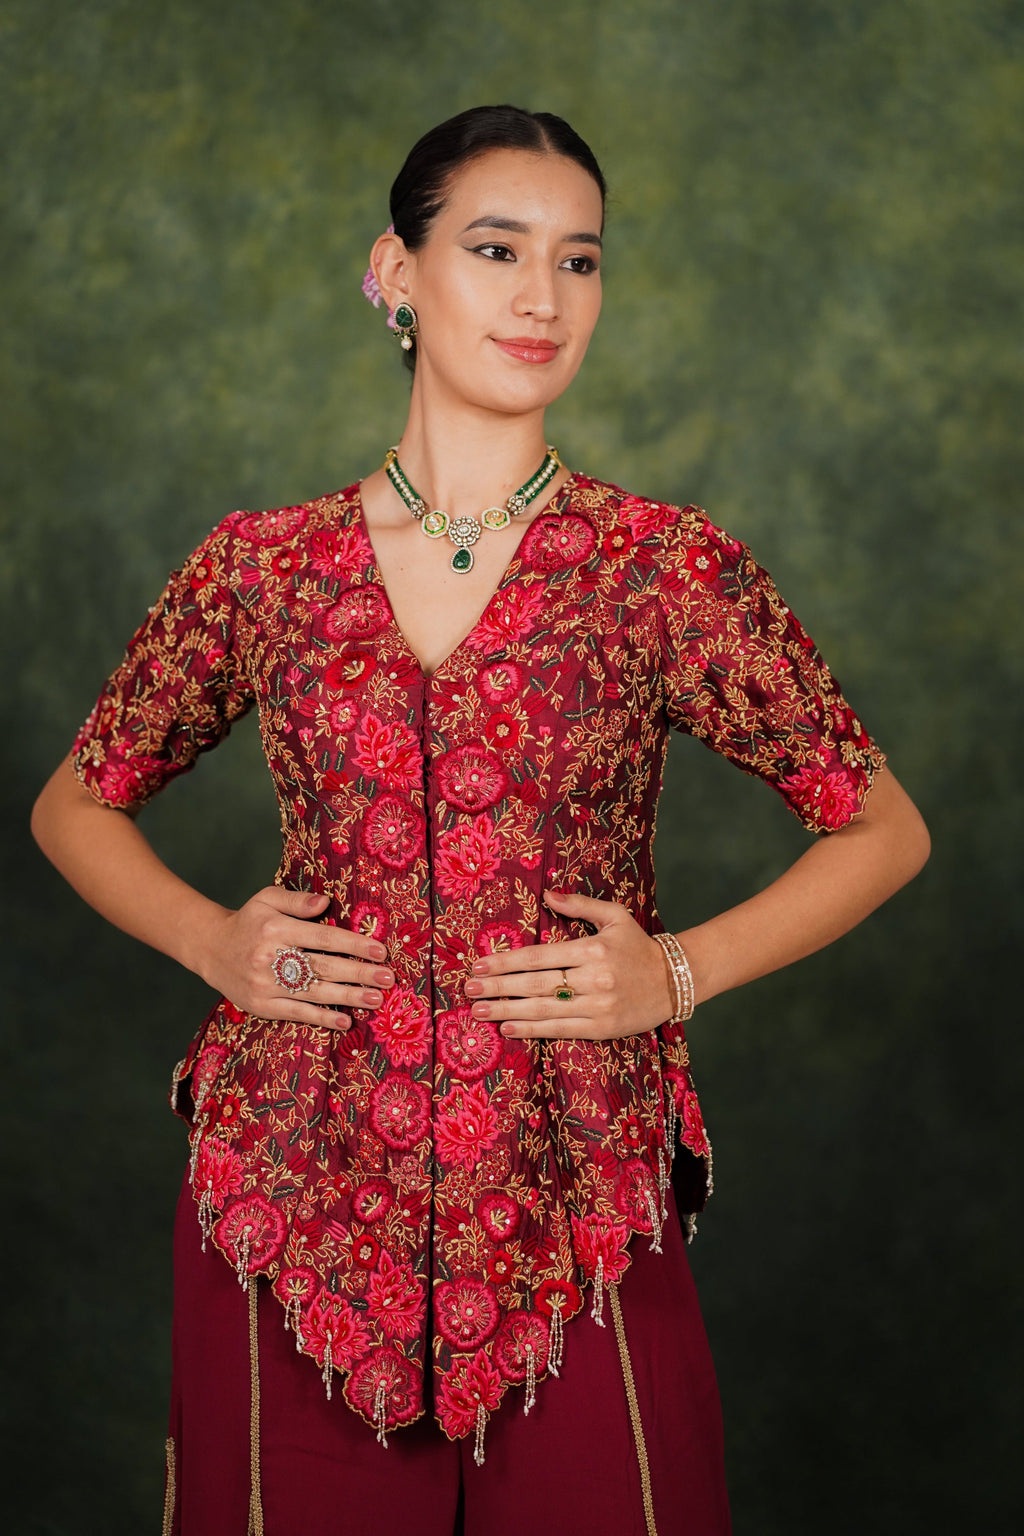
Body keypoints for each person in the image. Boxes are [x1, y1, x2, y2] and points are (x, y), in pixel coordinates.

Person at [31, 104, 930, 1536]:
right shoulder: (264, 568)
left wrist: (675, 973)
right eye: (496, 248)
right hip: (295, 1191)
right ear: (395, 271)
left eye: (580, 263)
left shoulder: (662, 568)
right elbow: (78, 800)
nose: (541, 298)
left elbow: (882, 826)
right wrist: (214, 943)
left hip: (576, 1190)